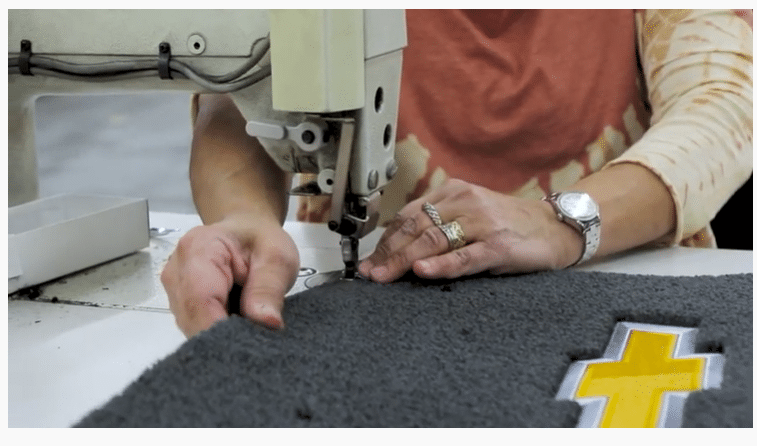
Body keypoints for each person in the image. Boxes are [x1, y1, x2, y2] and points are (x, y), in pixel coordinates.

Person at [161, 9, 753, 338]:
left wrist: (559, 222)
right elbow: (235, 93)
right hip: (377, 311)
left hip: (631, 293)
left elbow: (726, 100)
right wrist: (241, 218)